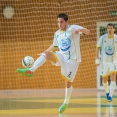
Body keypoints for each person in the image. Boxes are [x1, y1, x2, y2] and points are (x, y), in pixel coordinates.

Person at [17, 13, 90, 113]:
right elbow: (54, 45)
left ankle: (66, 102)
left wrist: (81, 30)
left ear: (67, 22)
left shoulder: (73, 28)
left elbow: (88, 32)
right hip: (62, 56)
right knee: (47, 54)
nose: (60, 24)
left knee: (68, 83)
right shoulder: (57, 34)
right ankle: (31, 70)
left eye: (62, 22)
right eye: (58, 22)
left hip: (73, 61)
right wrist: (44, 52)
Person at [95, 23, 117, 102]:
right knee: (104, 79)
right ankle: (107, 92)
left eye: (111, 28)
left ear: (114, 29)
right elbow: (97, 48)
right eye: (108, 28)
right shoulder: (102, 38)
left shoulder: (116, 38)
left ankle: (110, 95)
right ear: (107, 29)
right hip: (104, 62)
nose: (109, 30)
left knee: (113, 76)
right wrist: (97, 60)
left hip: (113, 61)